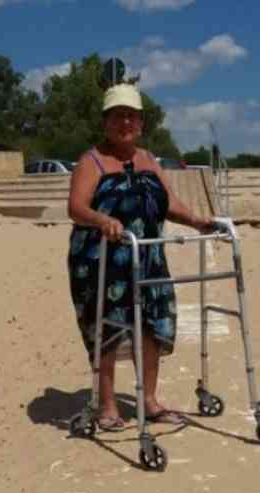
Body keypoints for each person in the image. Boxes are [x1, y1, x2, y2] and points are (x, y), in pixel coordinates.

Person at [67, 83, 212, 432]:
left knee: (152, 325)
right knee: (107, 330)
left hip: (146, 255)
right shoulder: (92, 162)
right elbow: (75, 207)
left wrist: (196, 220)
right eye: (118, 117)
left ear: (141, 123)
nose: (125, 123)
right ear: (106, 122)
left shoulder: (148, 159)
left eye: (131, 116)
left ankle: (149, 401)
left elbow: (168, 202)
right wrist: (102, 220)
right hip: (100, 260)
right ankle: (108, 406)